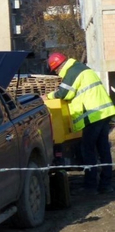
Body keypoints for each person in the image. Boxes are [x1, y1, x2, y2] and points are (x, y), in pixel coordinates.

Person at [46, 52, 115, 195]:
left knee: (87, 150)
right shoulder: (82, 68)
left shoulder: (73, 72)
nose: (58, 74)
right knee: (103, 149)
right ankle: (106, 184)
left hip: (93, 115)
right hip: (103, 113)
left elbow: (63, 93)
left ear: (58, 67)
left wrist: (46, 96)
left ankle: (90, 186)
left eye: (56, 71)